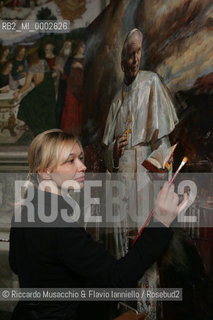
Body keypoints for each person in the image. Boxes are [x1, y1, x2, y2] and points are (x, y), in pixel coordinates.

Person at [9, 129, 187, 320]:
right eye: (71, 161)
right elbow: (117, 277)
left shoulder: (25, 210)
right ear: (45, 171)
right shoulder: (59, 224)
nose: (82, 166)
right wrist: (160, 222)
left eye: (80, 158)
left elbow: (17, 265)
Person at [102, 29, 179, 317]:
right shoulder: (116, 98)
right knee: (124, 247)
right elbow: (108, 153)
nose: (134, 60)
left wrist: (162, 172)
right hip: (123, 180)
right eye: (129, 56)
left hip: (146, 177)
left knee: (146, 247)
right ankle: (126, 310)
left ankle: (147, 312)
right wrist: (114, 151)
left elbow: (163, 142)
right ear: (122, 62)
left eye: (137, 53)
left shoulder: (152, 84)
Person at [14, 49, 56, 135]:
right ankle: (33, 126)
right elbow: (43, 78)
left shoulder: (32, 67)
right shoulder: (44, 63)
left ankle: (30, 125)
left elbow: (27, 85)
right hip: (49, 92)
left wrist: (18, 92)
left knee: (25, 102)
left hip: (41, 92)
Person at [60, 41, 84, 136]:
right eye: (82, 47)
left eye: (84, 48)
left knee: (80, 111)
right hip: (71, 88)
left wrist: (80, 66)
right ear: (77, 48)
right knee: (70, 109)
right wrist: (61, 71)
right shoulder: (71, 60)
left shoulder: (86, 60)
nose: (83, 49)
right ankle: (68, 133)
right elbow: (65, 75)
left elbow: (92, 74)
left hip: (82, 88)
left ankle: (79, 133)